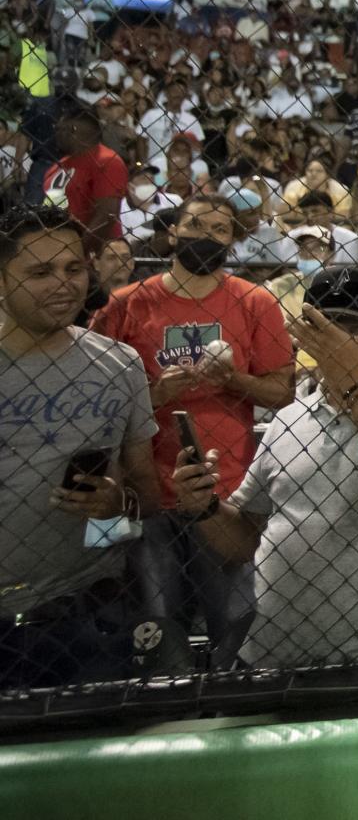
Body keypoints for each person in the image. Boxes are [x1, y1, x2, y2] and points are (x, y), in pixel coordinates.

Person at [166, 265, 358, 664]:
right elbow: (243, 539)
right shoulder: (289, 419)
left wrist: (356, 385)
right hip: (282, 655)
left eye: (351, 326)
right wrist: (204, 505)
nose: (335, 340)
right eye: (323, 326)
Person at [89, 194, 295, 670]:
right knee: (156, 638)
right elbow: (92, 395)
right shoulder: (126, 304)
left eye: (221, 229)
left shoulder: (254, 301)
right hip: (145, 495)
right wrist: (153, 396)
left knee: (237, 632)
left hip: (227, 498)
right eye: (197, 224)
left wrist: (233, 381)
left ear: (233, 242)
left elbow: (282, 391)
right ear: (172, 232)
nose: (207, 235)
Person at [0, 206, 160, 689]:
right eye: (40, 271)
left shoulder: (119, 363)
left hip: (87, 610)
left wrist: (115, 507)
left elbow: (146, 496)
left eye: (74, 268)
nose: (64, 284)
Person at [42, 103, 127, 256]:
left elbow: (107, 214)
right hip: (57, 251)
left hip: (97, 256)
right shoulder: (55, 168)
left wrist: (77, 252)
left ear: (73, 130)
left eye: (59, 129)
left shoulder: (106, 160)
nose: (55, 134)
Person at [293, 190, 358, 264]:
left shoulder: (350, 239)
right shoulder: (292, 236)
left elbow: (351, 273)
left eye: (315, 211)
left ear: (330, 212)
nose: (309, 217)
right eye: (305, 213)